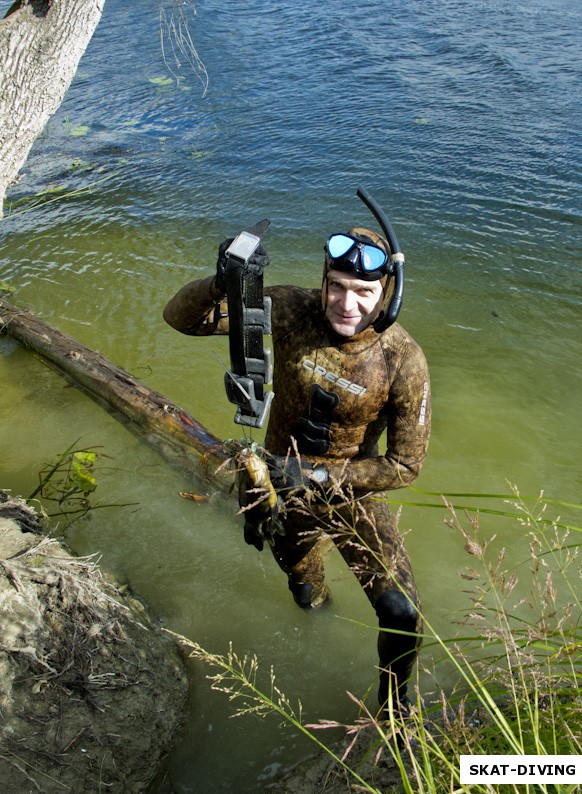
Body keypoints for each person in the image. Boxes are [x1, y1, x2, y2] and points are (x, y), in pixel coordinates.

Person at [162, 207, 431, 716]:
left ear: (387, 295)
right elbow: (180, 319)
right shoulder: (290, 308)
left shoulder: (403, 360)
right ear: (322, 279)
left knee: (402, 613)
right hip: (277, 486)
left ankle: (396, 707)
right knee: (305, 589)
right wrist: (221, 283)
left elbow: (405, 466)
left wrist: (318, 474)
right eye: (336, 286)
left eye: (363, 292)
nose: (345, 304)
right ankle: (318, 616)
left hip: (351, 489)